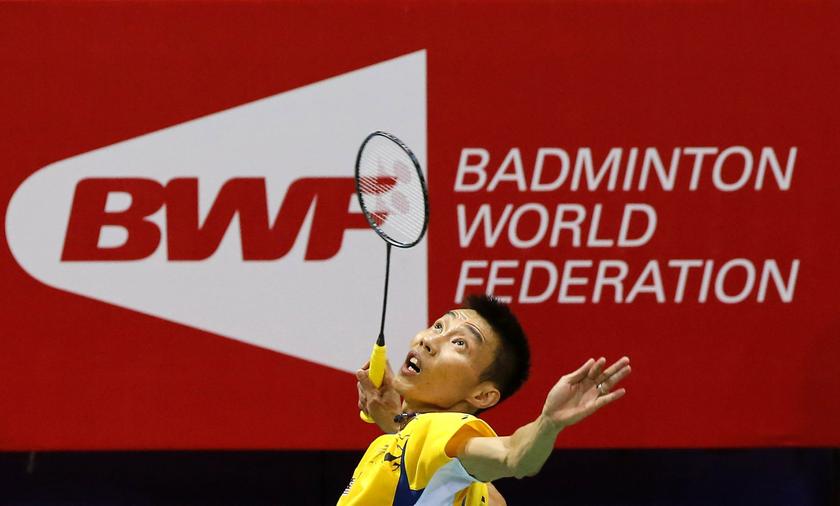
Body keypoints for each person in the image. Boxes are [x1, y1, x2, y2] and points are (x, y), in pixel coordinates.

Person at [339, 294, 631, 505]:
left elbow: (512, 455)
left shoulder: (445, 431)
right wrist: (396, 424)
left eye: (459, 343)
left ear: (482, 395)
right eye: (439, 326)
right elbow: (435, 471)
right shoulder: (481, 491)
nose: (428, 340)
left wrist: (547, 424)